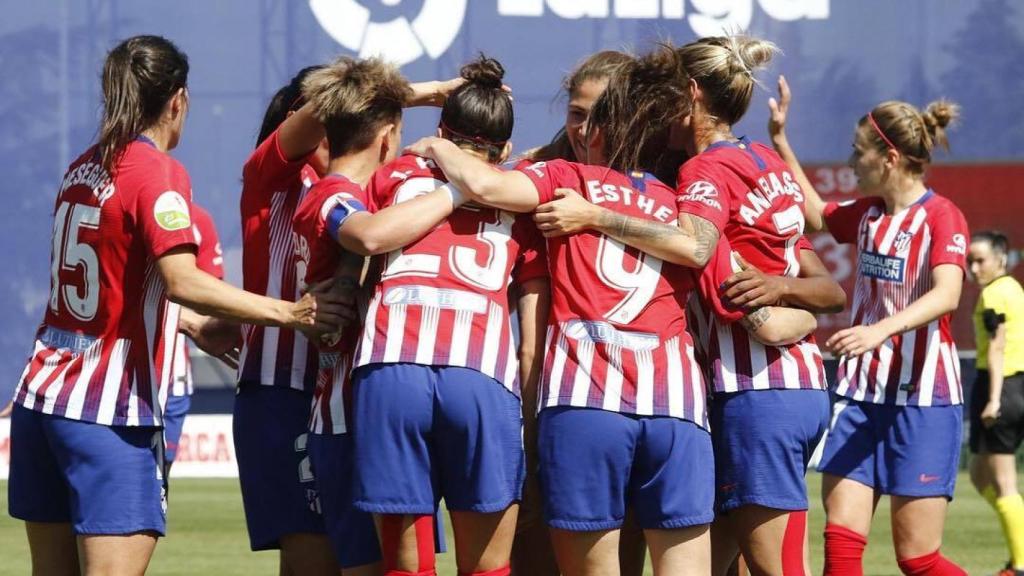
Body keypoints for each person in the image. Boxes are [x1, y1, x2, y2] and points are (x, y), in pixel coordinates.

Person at [405, 45, 818, 576]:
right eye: (573, 113)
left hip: (586, 404)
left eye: (590, 115)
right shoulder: (682, 197)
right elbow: (746, 281)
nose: (580, 127)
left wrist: (437, 143)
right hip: (677, 411)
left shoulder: (561, 180)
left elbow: (485, 184)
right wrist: (806, 316)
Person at [7, 35, 343, 576]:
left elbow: (112, 285)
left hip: (41, 399)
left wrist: (185, 322)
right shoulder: (157, 170)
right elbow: (182, 280)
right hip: (107, 412)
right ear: (178, 100)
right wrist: (289, 312)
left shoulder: (82, 167)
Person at [529, 35, 844, 576]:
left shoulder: (702, 174)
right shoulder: (762, 160)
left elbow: (701, 252)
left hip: (753, 389)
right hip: (794, 383)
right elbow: (828, 283)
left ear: (691, 94)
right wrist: (791, 296)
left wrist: (595, 216)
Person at [236, 63, 464, 574]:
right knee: (314, 560)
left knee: (387, 557)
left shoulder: (383, 186)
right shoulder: (271, 178)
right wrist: (426, 92)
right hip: (284, 389)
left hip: (361, 387)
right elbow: (330, 108)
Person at [329, 54, 548, 576]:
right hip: (481, 377)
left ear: (442, 132)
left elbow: (356, 253)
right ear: (505, 149)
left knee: (407, 567)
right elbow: (530, 339)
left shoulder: (394, 174)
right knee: (488, 567)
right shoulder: (522, 197)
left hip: (390, 370)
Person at [770, 76, 969, 575]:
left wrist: (881, 330)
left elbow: (947, 295)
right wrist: (780, 142)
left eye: (858, 152)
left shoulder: (942, 216)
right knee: (840, 548)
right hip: (859, 398)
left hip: (924, 402)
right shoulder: (867, 214)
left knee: (918, 559)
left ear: (889, 158)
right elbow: (816, 215)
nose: (851, 161)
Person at [513, 48, 641, 576]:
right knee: (535, 551)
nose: (586, 130)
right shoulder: (537, 176)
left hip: (649, 400)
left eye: (601, 115)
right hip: (558, 394)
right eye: (576, 113)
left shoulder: (662, 180)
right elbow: (530, 332)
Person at [967, 231, 1024, 576]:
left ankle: (1020, 565)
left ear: (1001, 258)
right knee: (977, 474)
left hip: (1000, 386)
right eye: (970, 261)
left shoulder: (994, 295)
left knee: (1003, 482)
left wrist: (992, 399)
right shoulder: (1014, 289)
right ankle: (1018, 532)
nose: (974, 268)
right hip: (1014, 385)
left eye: (981, 260)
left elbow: (998, 346)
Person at [163, 203, 227, 474]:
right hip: (118, 374)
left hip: (173, 379)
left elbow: (210, 295)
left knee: (159, 476)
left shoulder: (197, 218)